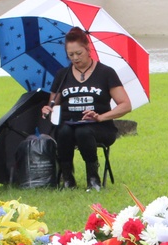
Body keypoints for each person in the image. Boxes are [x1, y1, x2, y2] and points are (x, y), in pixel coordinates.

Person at [42, 27, 132, 191]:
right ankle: (68, 178)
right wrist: (48, 109)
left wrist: (100, 117)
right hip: (69, 125)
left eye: (79, 53)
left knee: (83, 132)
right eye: (71, 55)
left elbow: (126, 105)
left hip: (100, 126)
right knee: (63, 132)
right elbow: (54, 105)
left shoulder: (106, 73)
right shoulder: (62, 75)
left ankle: (93, 178)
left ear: (88, 49)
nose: (75, 58)